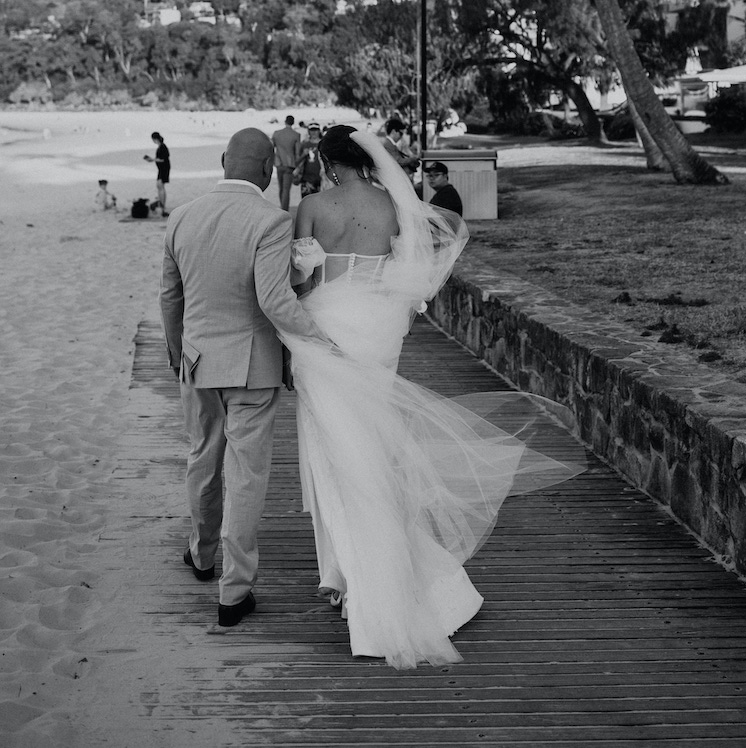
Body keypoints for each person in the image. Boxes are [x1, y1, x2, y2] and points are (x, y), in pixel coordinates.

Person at [283, 124, 582, 669]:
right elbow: (418, 267)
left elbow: (301, 287)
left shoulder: (311, 206)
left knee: (332, 452)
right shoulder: (396, 206)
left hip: (327, 332)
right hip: (377, 332)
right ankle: (356, 572)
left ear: (328, 164)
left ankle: (350, 577)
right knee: (374, 448)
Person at [159, 128, 339, 630]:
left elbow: (169, 297)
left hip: (195, 361)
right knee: (246, 476)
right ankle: (233, 593)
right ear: (266, 171)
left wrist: (176, 350)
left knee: (201, 459)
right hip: (252, 367)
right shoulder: (270, 220)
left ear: (223, 161)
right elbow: (274, 300)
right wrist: (323, 343)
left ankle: (201, 554)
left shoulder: (181, 217)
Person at [271, 115, 302, 212]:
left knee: (281, 188)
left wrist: (273, 161)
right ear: (293, 123)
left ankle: (282, 208)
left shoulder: (276, 134)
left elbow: (271, 149)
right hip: (290, 164)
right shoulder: (296, 135)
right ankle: (284, 211)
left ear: (285, 121)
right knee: (286, 189)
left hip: (279, 163)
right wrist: (299, 166)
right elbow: (297, 153)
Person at [143, 132, 170, 214]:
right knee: (159, 186)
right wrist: (153, 159)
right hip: (161, 169)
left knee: (161, 186)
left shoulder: (163, 147)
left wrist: (153, 159)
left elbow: (163, 159)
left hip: (164, 168)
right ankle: (161, 204)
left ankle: (162, 206)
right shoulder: (160, 147)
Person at [294, 123, 324, 197]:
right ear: (308, 131)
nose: (313, 133)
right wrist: (303, 155)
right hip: (307, 180)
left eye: (315, 130)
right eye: (311, 130)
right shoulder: (304, 145)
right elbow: (296, 162)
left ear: (319, 131)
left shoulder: (324, 144)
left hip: (321, 180)